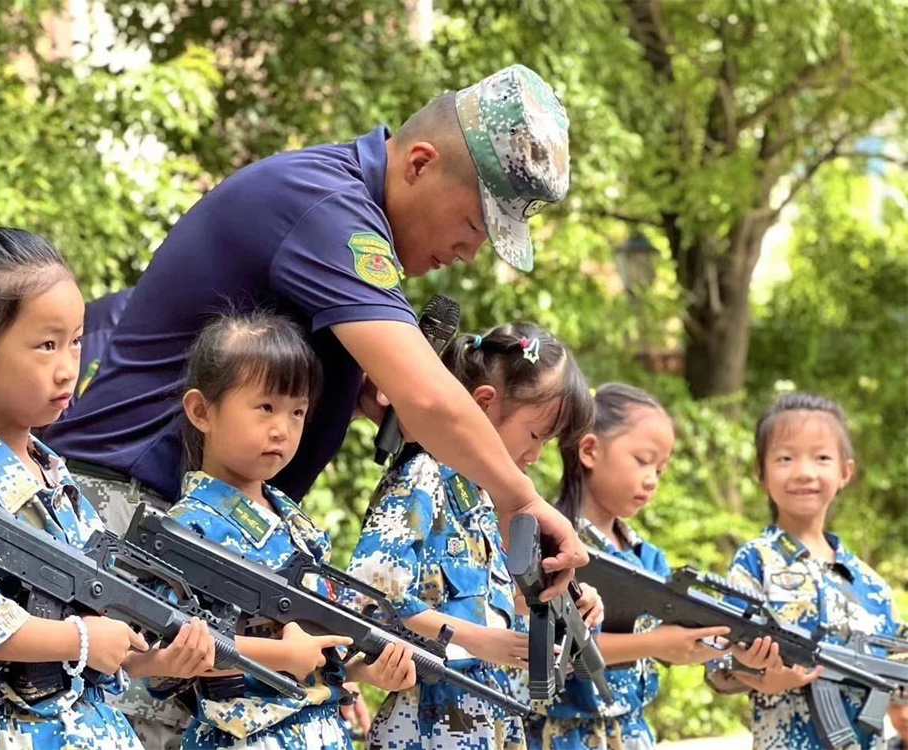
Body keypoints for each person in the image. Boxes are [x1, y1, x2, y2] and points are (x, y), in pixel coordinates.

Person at [43, 63, 586, 590]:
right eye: (473, 224)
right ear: (419, 164)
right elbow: (428, 396)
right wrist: (522, 500)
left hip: (188, 520)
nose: (470, 252)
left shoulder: (342, 206)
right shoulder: (331, 211)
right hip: (127, 512)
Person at [0, 223, 213, 749]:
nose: (68, 368)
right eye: (46, 345)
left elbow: (97, 629)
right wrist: (80, 639)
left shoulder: (55, 475)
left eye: (75, 342)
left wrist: (155, 659)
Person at [167, 312, 417, 750]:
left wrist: (364, 670)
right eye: (265, 407)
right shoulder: (188, 527)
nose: (282, 429)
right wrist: (282, 655)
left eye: (297, 411)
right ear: (201, 411)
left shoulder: (291, 518)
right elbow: (172, 648)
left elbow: (318, 644)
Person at [346, 323, 601, 750]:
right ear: (484, 404)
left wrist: (561, 607)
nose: (537, 456)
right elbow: (369, 601)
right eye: (536, 435)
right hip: (425, 725)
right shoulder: (423, 476)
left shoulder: (484, 499)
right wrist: (479, 642)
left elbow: (490, 607)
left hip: (493, 724)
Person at [535, 384, 738, 750]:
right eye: (643, 461)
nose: (652, 480)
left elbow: (677, 641)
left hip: (634, 735)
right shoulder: (553, 544)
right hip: (563, 737)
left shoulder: (649, 557)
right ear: (590, 450)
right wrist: (654, 643)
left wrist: (727, 646)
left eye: (660, 470)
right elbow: (547, 650)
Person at [706, 392, 908, 750]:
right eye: (785, 458)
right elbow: (717, 656)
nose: (803, 471)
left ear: (845, 472)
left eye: (822, 457)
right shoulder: (755, 562)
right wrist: (760, 675)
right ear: (761, 473)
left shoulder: (872, 586)